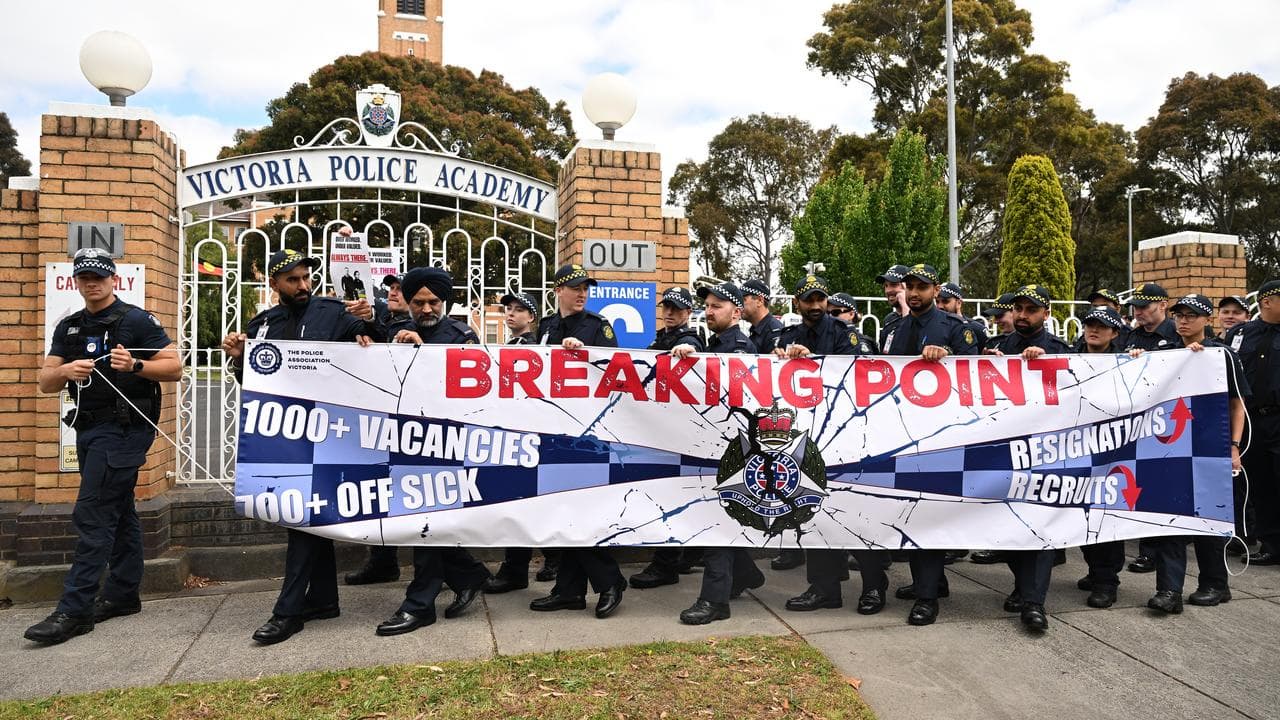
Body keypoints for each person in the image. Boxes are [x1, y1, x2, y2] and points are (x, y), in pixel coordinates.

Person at [218, 249, 380, 645]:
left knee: (301, 517)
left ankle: (287, 612)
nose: (303, 285)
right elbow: (254, 382)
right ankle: (323, 600)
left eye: (306, 277)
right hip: (288, 437)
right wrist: (240, 359)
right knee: (305, 518)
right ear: (273, 284)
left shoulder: (332, 312)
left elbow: (377, 347)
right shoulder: (262, 325)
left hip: (333, 433)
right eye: (293, 280)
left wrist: (370, 327)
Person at [22, 249, 183, 646]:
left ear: (114, 279)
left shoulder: (136, 321)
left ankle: (74, 611)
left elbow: (175, 366)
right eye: (84, 278)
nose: (92, 283)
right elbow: (45, 381)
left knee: (93, 513)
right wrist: (64, 371)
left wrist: (136, 367)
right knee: (119, 508)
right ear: (76, 282)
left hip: (126, 431)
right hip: (89, 429)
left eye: (99, 276)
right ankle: (123, 594)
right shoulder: (71, 326)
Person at [375, 266, 494, 636]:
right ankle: (470, 575)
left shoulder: (463, 336)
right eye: (418, 302)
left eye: (433, 302)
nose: (426, 309)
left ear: (444, 302)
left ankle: (419, 605)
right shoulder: (393, 334)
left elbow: (472, 392)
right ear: (408, 303)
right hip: (404, 441)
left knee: (424, 524)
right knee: (423, 524)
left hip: (447, 444)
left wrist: (423, 353)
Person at [774, 275, 882, 614]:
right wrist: (778, 359)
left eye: (821, 298)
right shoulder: (788, 335)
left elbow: (853, 376)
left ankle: (875, 586)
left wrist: (812, 360)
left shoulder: (844, 334)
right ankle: (824, 589)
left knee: (859, 514)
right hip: (807, 440)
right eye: (809, 299)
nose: (816, 305)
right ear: (797, 303)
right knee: (815, 513)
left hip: (848, 439)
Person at [1136, 294, 1247, 613]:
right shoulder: (1163, 352)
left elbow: (1237, 404)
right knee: (1170, 518)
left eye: (1191, 315)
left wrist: (1234, 446)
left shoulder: (1221, 355)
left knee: (1208, 519)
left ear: (1206, 320)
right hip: (1168, 446)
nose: (1183, 321)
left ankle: (1215, 584)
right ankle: (1169, 591)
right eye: (1179, 315)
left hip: (1209, 446)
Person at [884, 264, 981, 625]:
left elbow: (977, 382)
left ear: (936, 289)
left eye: (921, 287)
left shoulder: (958, 330)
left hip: (944, 439)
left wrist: (948, 361)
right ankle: (931, 582)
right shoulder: (895, 329)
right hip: (904, 434)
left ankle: (927, 598)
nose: (913, 292)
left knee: (928, 513)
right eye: (909, 286)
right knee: (908, 509)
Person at [530, 264, 626, 619]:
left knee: (578, 511)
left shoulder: (598, 326)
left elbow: (613, 373)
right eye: (575, 287)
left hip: (587, 432)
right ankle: (569, 590)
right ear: (558, 290)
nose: (582, 293)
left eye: (586, 287)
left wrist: (584, 354)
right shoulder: (546, 327)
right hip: (553, 430)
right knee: (561, 509)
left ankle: (610, 580)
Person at [677, 283, 767, 624]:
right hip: (713, 446)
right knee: (717, 519)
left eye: (717, 306)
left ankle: (715, 601)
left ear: (737, 312)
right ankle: (745, 575)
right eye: (707, 306)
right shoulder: (714, 344)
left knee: (716, 523)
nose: (709, 311)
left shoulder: (740, 349)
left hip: (733, 449)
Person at [989, 285, 1071, 631]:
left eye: (1031, 309)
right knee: (1003, 525)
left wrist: (1048, 366)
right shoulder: (998, 349)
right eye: (1018, 309)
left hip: (1043, 454)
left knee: (1039, 527)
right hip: (1002, 452)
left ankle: (1034, 603)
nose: (1023, 315)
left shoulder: (1061, 350)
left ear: (1046, 313)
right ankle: (1023, 586)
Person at [484, 290, 561, 594]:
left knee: (532, 503)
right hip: (511, 433)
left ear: (531, 317)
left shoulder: (536, 348)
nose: (511, 313)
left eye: (519, 310)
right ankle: (524, 565)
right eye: (509, 309)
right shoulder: (506, 347)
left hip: (533, 435)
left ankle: (538, 563)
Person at [629, 287, 705, 590]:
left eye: (676, 309)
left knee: (673, 498)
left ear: (688, 313)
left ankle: (666, 565)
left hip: (681, 434)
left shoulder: (689, 339)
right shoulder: (658, 339)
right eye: (666, 308)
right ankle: (682, 558)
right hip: (660, 432)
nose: (670, 313)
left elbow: (692, 348)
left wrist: (686, 350)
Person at [1072, 306, 1131, 608]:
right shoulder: (1068, 356)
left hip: (1112, 447)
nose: (1093, 330)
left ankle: (1107, 580)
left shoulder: (1128, 361)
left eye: (1101, 326)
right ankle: (1096, 569)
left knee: (1106, 513)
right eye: (1089, 325)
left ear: (1115, 333)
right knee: (1080, 512)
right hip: (1073, 447)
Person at [1123, 282, 1179, 574]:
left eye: (1145, 306)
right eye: (1136, 307)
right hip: (1136, 424)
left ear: (1163, 305)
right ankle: (1147, 551)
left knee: (1164, 487)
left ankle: (1165, 548)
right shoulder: (1130, 336)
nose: (1139, 312)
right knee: (1141, 485)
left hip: (1170, 423)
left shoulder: (1177, 336)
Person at [1225, 279, 1280, 567]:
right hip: (1252, 419)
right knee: (1261, 484)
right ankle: (1271, 545)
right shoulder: (1241, 334)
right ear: (1267, 302)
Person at [742, 279, 782, 355]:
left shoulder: (774, 333)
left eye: (744, 300)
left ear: (760, 301)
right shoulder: (758, 329)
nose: (739, 304)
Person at [875, 264, 910, 351]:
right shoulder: (889, 319)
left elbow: (908, 342)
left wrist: (905, 305)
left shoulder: (920, 317)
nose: (888, 290)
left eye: (894, 285)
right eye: (886, 286)